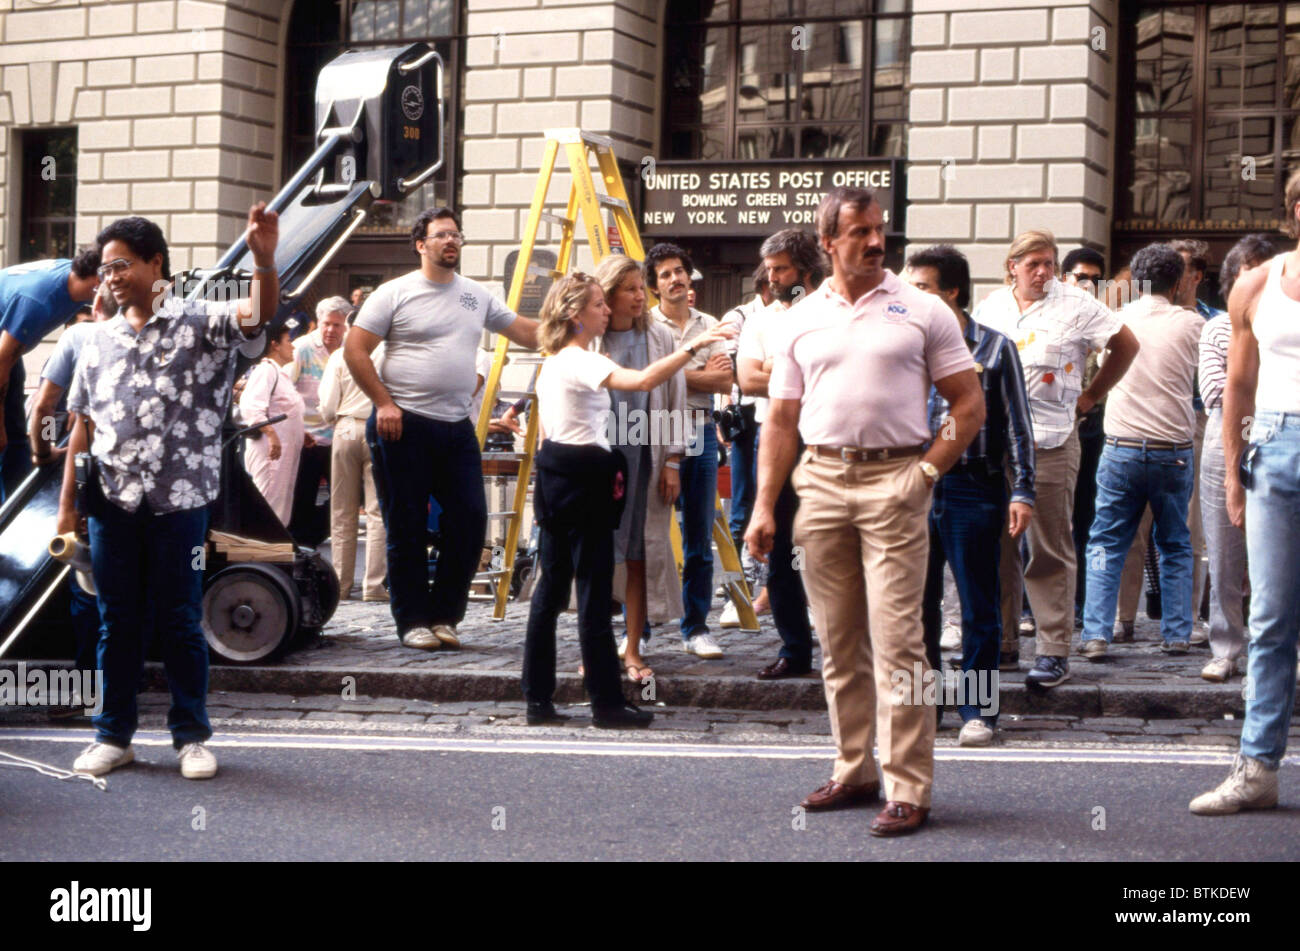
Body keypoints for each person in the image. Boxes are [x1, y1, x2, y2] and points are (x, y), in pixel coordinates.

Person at [747, 186, 985, 837]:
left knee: (901, 640)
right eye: (859, 232)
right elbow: (782, 418)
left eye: (879, 230)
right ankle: (854, 766)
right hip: (820, 479)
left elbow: (968, 405)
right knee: (838, 638)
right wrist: (764, 505)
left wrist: (926, 472)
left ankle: (909, 783)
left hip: (897, 479)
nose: (876, 241)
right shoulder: (798, 318)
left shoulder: (924, 308)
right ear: (827, 243)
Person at [62, 205, 280, 779]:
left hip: (180, 504)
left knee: (182, 618)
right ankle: (114, 735)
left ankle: (191, 737)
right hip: (111, 503)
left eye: (122, 264)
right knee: (117, 621)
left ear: (156, 262)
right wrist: (69, 507)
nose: (110, 276)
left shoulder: (201, 320)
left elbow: (257, 317)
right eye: (105, 267)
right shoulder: (96, 339)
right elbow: (81, 424)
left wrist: (262, 259)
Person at [523, 272, 734, 728]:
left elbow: (544, 432)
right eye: (598, 304)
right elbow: (640, 382)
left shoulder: (554, 360)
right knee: (594, 594)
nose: (605, 310)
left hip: (556, 474)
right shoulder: (580, 359)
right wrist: (693, 347)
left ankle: (537, 700)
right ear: (575, 315)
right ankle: (606, 704)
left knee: (551, 590)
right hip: (584, 478)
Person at [345, 207, 539, 652]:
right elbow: (356, 350)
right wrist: (383, 403)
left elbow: (526, 332)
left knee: (470, 521)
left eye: (456, 235)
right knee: (406, 525)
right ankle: (412, 620)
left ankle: (444, 615)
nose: (451, 241)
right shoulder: (394, 293)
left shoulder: (475, 295)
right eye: (442, 235)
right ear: (421, 244)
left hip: (455, 428)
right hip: (402, 424)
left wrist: (573, 326)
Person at [973, 230, 1139, 688]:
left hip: (1049, 442)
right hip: (996, 445)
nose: (1043, 272)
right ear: (1013, 267)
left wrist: (1091, 396)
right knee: (998, 547)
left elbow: (1126, 346)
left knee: (1047, 547)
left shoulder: (1078, 304)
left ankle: (1052, 650)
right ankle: (1003, 641)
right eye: (1033, 265)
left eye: (1048, 263)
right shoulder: (991, 307)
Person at [1190, 171, 1300, 815]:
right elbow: (1238, 388)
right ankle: (1258, 767)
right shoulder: (1258, 284)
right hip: (1277, 448)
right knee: (1271, 619)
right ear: (1293, 209)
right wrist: (1233, 473)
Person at [906, 245, 1035, 746]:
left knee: (979, 604)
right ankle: (921, 705)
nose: (910, 298)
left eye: (921, 288)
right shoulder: (905, 346)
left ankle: (980, 712)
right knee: (915, 605)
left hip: (974, 484)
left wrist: (1022, 490)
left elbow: (1019, 426)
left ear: (951, 291)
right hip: (916, 485)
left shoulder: (994, 348)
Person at [1078, 244, 1204, 659]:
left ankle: (1097, 631)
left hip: (1122, 447)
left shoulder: (1118, 320)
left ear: (1138, 278)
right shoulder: (1193, 324)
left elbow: (1091, 365)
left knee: (1106, 541)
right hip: (1174, 450)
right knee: (1175, 543)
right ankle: (1177, 633)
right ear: (1178, 281)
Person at [735, 228, 826, 679]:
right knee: (781, 545)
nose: (771, 278)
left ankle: (848, 646)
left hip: (824, 439)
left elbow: (829, 376)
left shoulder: (828, 310)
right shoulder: (761, 319)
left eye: (781, 269)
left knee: (831, 546)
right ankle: (795, 648)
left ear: (805, 269)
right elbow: (747, 379)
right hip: (775, 440)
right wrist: (787, 369)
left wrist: (775, 366)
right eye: (768, 270)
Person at [592, 253, 686, 684]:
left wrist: (671, 460)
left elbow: (675, 399)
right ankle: (594, 648)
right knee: (595, 556)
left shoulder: (660, 336)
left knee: (639, 553)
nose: (638, 297)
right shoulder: (589, 337)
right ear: (608, 295)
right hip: (598, 458)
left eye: (638, 288)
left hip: (644, 457)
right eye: (628, 289)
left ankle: (632, 649)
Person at [28, 284, 113, 719]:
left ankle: (88, 690)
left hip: (87, 472)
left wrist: (44, 452)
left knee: (87, 584)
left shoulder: (77, 339)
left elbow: (43, 409)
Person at [646, 243, 732, 659]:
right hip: (654, 431)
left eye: (679, 271)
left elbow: (723, 382)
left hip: (699, 431)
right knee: (649, 535)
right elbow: (649, 380)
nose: (675, 279)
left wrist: (675, 373)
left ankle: (695, 627)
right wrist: (696, 373)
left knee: (698, 535)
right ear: (654, 285)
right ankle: (640, 626)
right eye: (665, 274)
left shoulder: (710, 324)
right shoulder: (644, 326)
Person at [1196, 234, 1275, 683]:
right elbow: (1216, 392)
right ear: (1231, 283)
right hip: (1225, 438)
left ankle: (1279, 647)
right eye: (1249, 274)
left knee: (1278, 553)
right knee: (1224, 548)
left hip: (1279, 438)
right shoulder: (1218, 327)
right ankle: (1226, 646)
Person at [0, 250, 101, 500]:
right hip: (8, 357)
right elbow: (44, 408)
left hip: (15, 356)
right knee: (17, 436)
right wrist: (44, 451)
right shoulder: (42, 309)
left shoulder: (71, 280)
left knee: (20, 441)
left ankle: (18, 494)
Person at [319, 315, 387, 602]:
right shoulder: (388, 354)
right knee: (377, 511)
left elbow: (327, 403)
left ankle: (341, 584)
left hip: (346, 425)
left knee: (342, 511)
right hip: (379, 425)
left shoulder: (340, 356)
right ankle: (374, 585)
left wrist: (333, 419)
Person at [1061, 248, 1107, 631]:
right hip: (1051, 431)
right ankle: (1029, 608)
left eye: (1094, 278)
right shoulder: (1052, 316)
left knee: (1085, 517)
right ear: (1065, 279)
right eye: (1080, 276)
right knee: (1045, 518)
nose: (1087, 284)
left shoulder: (1105, 322)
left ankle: (1078, 604)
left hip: (1093, 429)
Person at [286, 298, 347, 546]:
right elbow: (285, 392)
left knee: (344, 499)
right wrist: (297, 431)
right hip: (307, 438)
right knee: (302, 496)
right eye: (326, 324)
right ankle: (301, 546)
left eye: (337, 325)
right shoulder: (301, 348)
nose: (331, 330)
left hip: (339, 438)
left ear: (345, 326)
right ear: (317, 323)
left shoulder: (350, 349)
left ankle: (312, 537)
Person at [239, 324, 306, 526]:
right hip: (270, 451)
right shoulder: (266, 370)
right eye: (289, 341)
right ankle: (260, 546)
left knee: (279, 500)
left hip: (283, 450)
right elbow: (251, 407)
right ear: (275, 345)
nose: (293, 347)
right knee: (268, 498)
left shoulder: (279, 373)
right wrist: (272, 434)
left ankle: (273, 547)